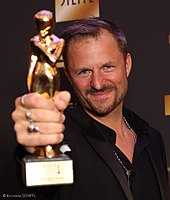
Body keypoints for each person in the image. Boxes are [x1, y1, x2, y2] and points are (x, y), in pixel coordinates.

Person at [12, 17, 170, 200]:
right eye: (84, 72)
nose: (97, 83)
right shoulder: (59, 136)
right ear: (69, 77)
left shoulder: (152, 139)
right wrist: (33, 146)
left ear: (127, 65)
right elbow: (37, 179)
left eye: (107, 67)